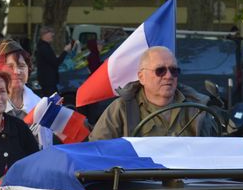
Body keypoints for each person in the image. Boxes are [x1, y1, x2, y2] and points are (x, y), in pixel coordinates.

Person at [89, 46, 218, 140]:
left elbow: (213, 151)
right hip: (138, 176)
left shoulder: (196, 108)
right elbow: (97, 150)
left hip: (187, 176)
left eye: (174, 70)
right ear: (141, 77)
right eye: (160, 70)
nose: (168, 76)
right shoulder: (122, 108)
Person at [35, 25, 73, 97]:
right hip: (48, 81)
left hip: (47, 80)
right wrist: (65, 51)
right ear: (44, 35)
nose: (53, 35)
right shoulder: (44, 47)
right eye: (51, 33)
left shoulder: (43, 46)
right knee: (54, 101)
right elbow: (56, 62)